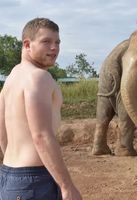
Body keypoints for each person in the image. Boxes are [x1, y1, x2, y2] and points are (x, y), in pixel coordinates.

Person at [0, 18, 82, 200]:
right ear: (27, 44)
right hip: (35, 181)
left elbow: (2, 132)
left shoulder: (12, 77)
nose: (54, 48)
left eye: (57, 42)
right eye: (46, 41)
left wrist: (16, 172)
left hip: (9, 176)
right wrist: (67, 187)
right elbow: (42, 136)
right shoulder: (39, 77)